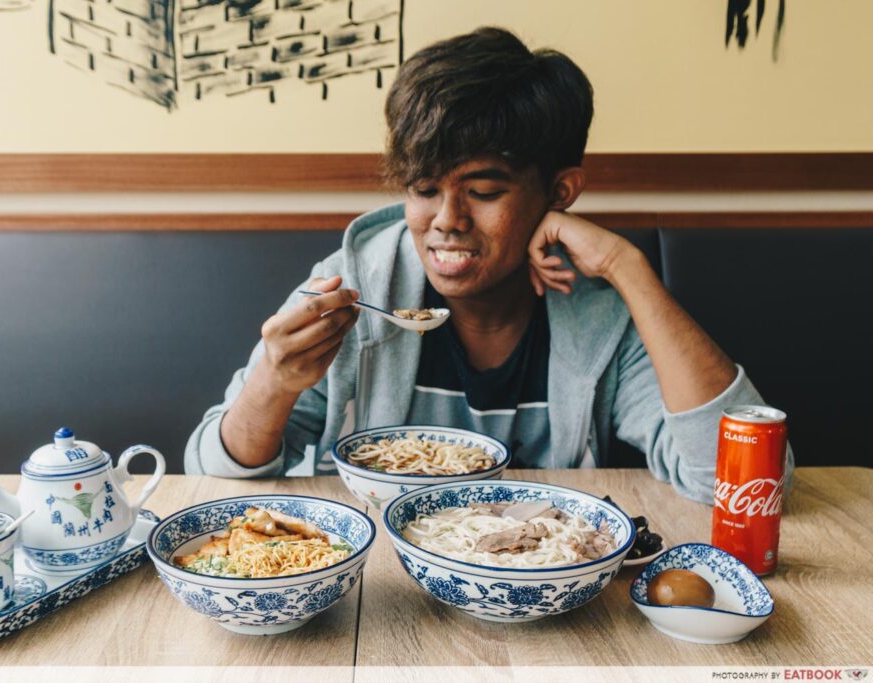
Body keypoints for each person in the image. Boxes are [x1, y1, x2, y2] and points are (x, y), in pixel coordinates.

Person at [185, 27, 791, 503]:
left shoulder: (600, 305)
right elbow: (214, 474)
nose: (446, 219)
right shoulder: (353, 287)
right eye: (424, 187)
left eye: (484, 191)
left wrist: (626, 265)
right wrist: (274, 380)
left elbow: (743, 485)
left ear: (559, 193)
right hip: (382, 590)